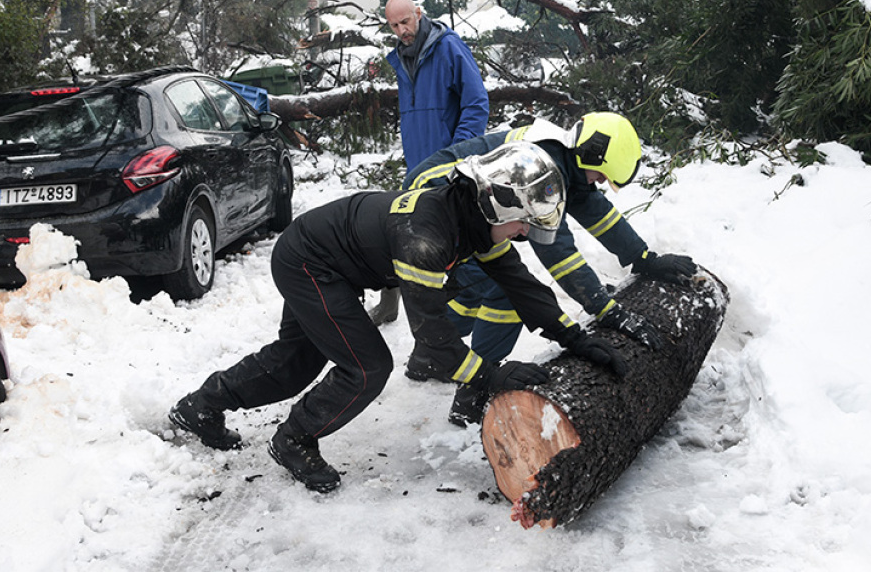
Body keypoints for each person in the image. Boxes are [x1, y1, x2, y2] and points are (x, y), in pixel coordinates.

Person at [167, 142, 626, 493]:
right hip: (309, 261)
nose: (525, 232)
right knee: (366, 368)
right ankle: (293, 439)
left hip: (329, 261)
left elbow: (523, 287)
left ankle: (201, 407)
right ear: (499, 204)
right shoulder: (426, 238)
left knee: (296, 360)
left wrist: (575, 338)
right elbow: (435, 345)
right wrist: (492, 375)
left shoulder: (470, 217)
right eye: (523, 222)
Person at [402, 112, 698, 427]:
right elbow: (558, 253)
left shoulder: (568, 158)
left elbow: (600, 215)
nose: (600, 183)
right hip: (430, 201)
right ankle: (473, 392)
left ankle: (427, 357)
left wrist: (642, 257)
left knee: (475, 285)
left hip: (454, 204)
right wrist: (605, 309)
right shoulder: (544, 166)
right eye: (600, 176)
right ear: (590, 154)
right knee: (504, 292)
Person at [369, 0, 490, 325]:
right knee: (407, 233)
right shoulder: (400, 58)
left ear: (419, 13)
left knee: (460, 241)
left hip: (450, 168)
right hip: (419, 168)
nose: (402, 30)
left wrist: (457, 154)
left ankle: (473, 309)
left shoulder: (448, 48)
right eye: (394, 25)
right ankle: (393, 304)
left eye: (405, 21)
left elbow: (477, 103)